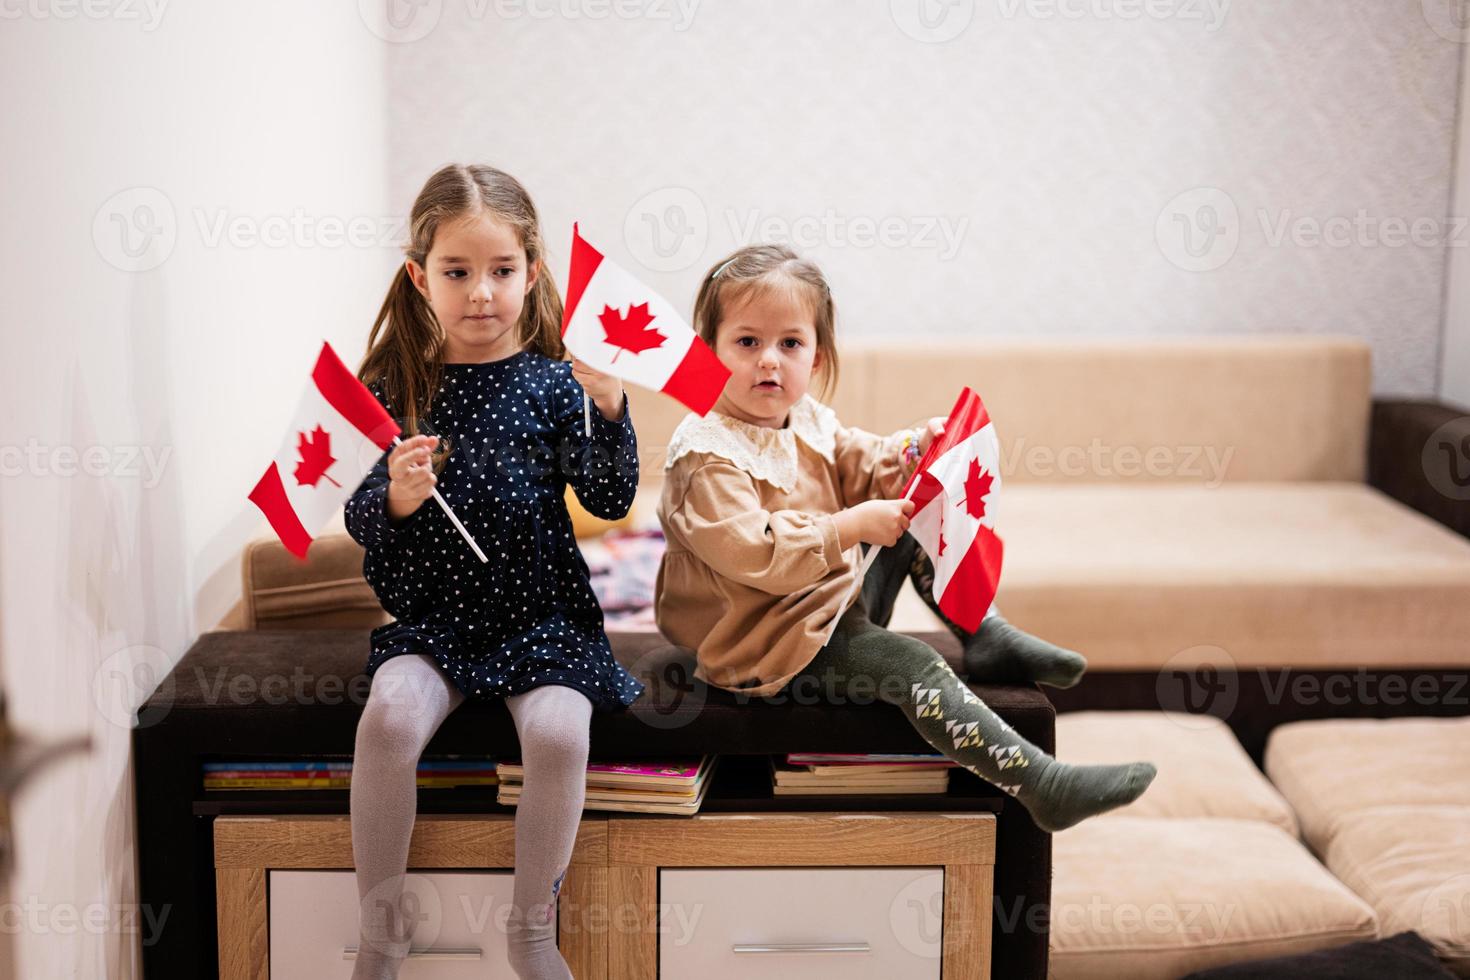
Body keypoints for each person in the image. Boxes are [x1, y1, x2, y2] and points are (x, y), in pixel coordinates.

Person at [654, 243, 1156, 833]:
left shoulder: (805, 417)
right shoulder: (707, 454)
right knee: (910, 663)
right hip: (769, 636)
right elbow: (753, 550)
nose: (770, 361)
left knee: (914, 514)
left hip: (825, 595)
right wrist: (851, 525)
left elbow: (857, 461)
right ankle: (1041, 784)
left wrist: (910, 452)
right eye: (747, 342)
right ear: (708, 351)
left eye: (790, 343)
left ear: (816, 357)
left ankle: (984, 632)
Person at [344, 163, 642, 980]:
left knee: (556, 733)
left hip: (542, 621)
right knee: (390, 723)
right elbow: (360, 520)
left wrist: (612, 409)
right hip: (434, 622)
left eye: (502, 271)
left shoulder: (557, 383)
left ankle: (532, 930)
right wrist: (397, 498)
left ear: (532, 273)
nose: (481, 292)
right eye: (457, 272)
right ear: (419, 277)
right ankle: (381, 931)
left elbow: (611, 498)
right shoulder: (395, 386)